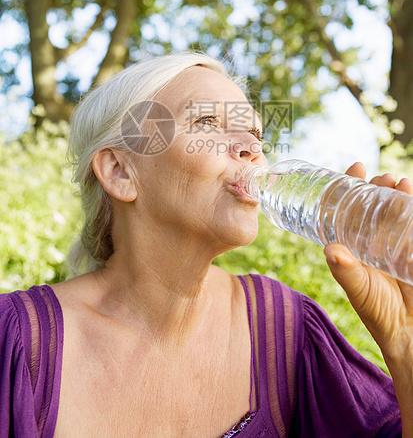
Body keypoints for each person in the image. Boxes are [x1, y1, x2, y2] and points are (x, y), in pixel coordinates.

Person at [0, 50, 412, 438]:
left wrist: (405, 350)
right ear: (120, 171)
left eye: (254, 132)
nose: (252, 148)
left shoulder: (287, 331)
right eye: (207, 125)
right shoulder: (17, 342)